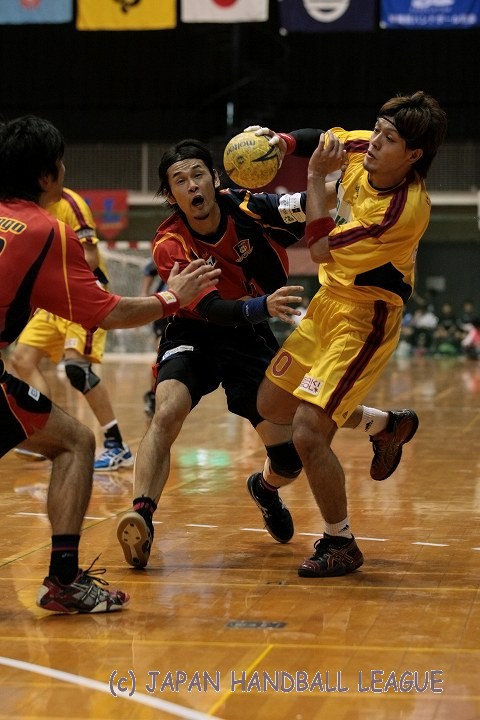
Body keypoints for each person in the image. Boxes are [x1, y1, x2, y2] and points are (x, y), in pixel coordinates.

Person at [115, 136, 412, 570]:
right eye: (180, 180)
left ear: (215, 180)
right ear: (171, 195)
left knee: (289, 456)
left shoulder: (248, 206)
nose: (192, 185)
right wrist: (261, 306)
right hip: (196, 332)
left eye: (198, 174)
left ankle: (266, 488)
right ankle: (141, 516)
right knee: (167, 411)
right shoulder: (170, 244)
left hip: (248, 336)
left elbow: (304, 204)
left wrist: (355, 182)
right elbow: (210, 308)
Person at [0, 114, 220, 613]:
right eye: (61, 164)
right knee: (75, 443)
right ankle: (64, 581)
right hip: (72, 302)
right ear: (48, 175)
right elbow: (108, 311)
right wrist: (172, 298)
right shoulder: (45, 230)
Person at [255, 90, 447, 578]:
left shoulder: (400, 212)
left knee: (307, 430)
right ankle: (385, 426)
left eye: (389, 139)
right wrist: (280, 142)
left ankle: (340, 542)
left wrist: (314, 177)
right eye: (377, 130)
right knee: (272, 404)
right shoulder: (367, 146)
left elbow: (318, 248)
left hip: (365, 318)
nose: (374, 142)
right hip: (328, 302)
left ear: (413, 155)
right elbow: (323, 140)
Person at [9, 187, 133, 471]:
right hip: (51, 300)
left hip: (82, 296)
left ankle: (117, 446)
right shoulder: (26, 208)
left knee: (78, 370)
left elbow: (90, 257)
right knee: (22, 358)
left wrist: (48, 276)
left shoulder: (70, 204)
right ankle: (43, 432)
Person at [141, 258, 167, 417]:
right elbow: (149, 270)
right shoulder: (171, 248)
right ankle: (152, 395)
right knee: (161, 352)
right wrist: (144, 294)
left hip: (194, 309)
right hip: (168, 306)